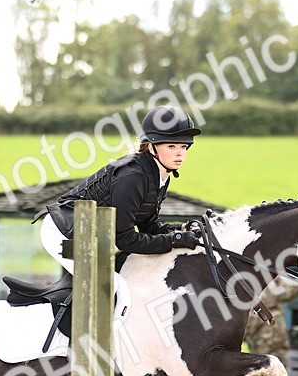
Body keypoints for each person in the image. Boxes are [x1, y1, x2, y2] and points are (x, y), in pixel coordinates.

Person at [35, 105, 204, 278]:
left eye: (183, 146)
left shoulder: (160, 175)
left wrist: (183, 228)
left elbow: (149, 227)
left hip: (95, 235)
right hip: (64, 230)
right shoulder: (133, 176)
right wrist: (175, 240)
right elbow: (124, 239)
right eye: (171, 147)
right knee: (112, 285)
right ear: (152, 146)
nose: (180, 154)